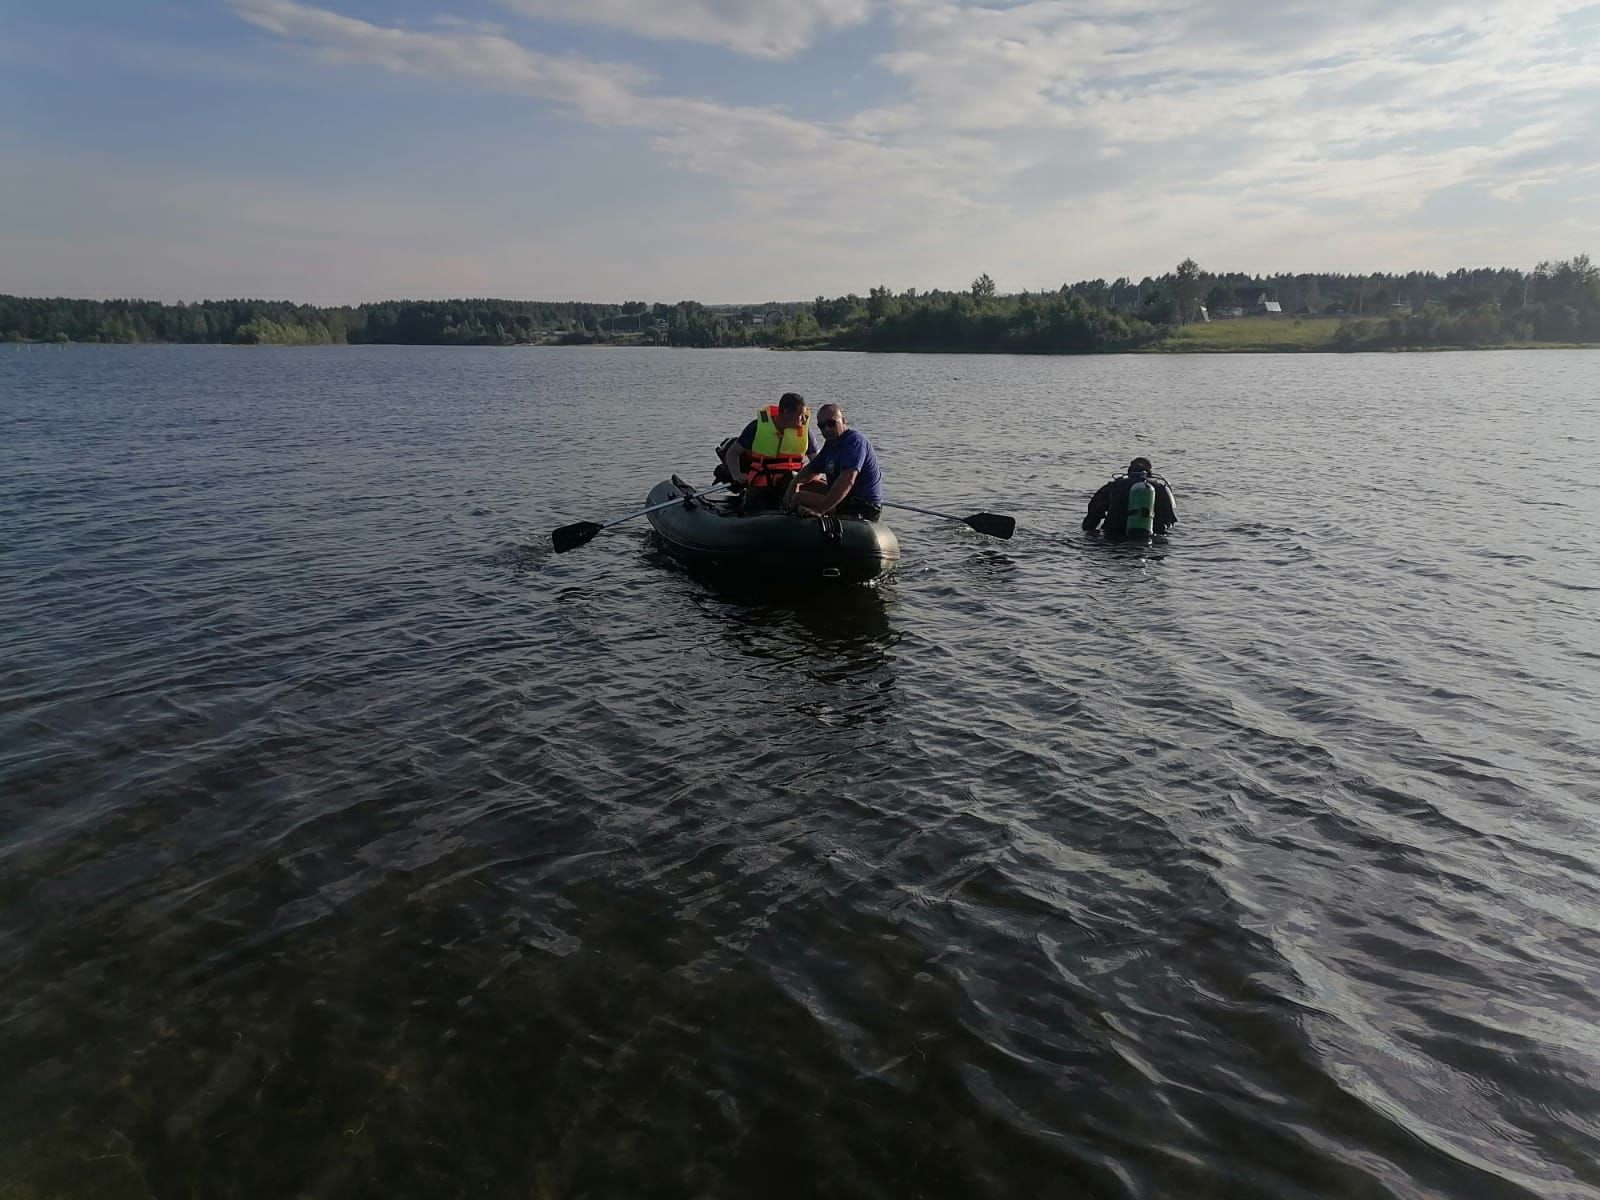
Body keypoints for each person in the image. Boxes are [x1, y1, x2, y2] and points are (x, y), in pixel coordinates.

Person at [718, 391, 822, 511]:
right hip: (761, 485)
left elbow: (818, 463)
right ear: (786, 412)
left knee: (794, 483)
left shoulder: (805, 432)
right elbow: (733, 453)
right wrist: (737, 475)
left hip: (791, 485)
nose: (804, 420)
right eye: (800, 415)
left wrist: (808, 478)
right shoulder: (756, 427)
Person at [783, 403, 883, 520]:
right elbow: (811, 470)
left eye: (831, 424)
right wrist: (794, 484)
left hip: (862, 505)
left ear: (843, 421)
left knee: (799, 498)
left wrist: (819, 510)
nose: (827, 429)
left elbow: (847, 480)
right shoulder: (830, 444)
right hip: (846, 499)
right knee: (804, 486)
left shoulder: (854, 442)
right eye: (822, 426)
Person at [1082, 456, 1177, 539]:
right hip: (1148, 539)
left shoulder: (1113, 486)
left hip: (1114, 536)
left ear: (1129, 471)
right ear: (1150, 473)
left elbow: (1093, 515)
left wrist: (1089, 533)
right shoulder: (1160, 488)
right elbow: (1169, 520)